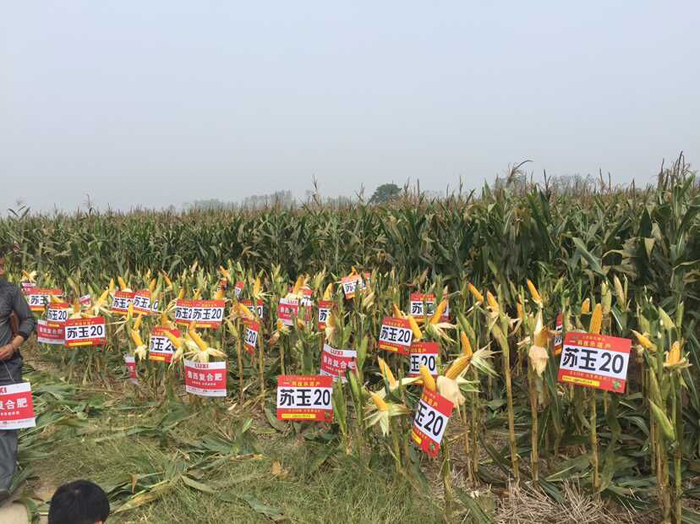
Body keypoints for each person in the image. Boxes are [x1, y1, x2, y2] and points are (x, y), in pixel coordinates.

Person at [0, 244, 37, 501]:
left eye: (2, 266)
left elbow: (28, 319)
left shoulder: (10, 291)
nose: (1, 271)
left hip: (7, 367)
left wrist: (13, 346)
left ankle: (3, 482)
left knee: (6, 424)